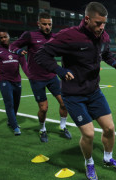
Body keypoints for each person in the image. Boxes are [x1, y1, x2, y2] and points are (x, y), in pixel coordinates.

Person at [34, 2, 116, 179]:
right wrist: (59, 70)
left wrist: (114, 63)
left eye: (104, 23)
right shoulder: (68, 36)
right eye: (98, 23)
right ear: (86, 19)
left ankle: (108, 158)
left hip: (94, 92)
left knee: (109, 128)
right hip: (73, 95)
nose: (102, 27)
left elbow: (105, 53)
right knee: (89, 133)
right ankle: (89, 162)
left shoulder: (103, 36)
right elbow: (42, 55)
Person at [9, 12, 71, 142]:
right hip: (37, 78)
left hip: (52, 76)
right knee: (43, 108)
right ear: (38, 24)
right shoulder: (30, 35)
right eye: (44, 24)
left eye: (49, 24)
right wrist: (19, 51)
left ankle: (63, 126)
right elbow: (13, 46)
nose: (47, 26)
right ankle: (42, 129)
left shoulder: (55, 37)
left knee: (64, 103)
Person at [0, 28, 29, 135]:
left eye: (5, 37)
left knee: (16, 103)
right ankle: (15, 126)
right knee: (9, 103)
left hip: (17, 80)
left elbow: (24, 65)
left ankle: (11, 120)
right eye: (1, 38)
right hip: (4, 80)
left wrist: (30, 76)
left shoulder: (16, 49)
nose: (3, 39)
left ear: (9, 37)